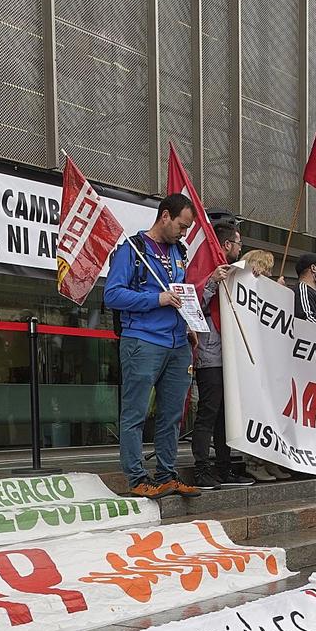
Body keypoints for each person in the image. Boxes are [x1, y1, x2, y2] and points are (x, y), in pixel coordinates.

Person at [103, 193, 199, 497]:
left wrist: (189, 323)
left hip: (177, 341)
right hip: (142, 341)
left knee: (172, 414)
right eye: (181, 226)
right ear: (165, 216)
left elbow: (180, 292)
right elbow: (112, 295)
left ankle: (167, 473)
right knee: (135, 413)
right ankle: (136, 477)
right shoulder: (132, 249)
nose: (183, 233)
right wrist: (156, 299)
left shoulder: (178, 252)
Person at [189, 214, 252, 489]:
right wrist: (213, 280)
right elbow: (195, 302)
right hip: (211, 352)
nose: (241, 248)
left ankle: (225, 466)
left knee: (227, 413)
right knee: (209, 411)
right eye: (238, 243)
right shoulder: (208, 269)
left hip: (229, 353)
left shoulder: (235, 272)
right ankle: (202, 467)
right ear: (226, 245)